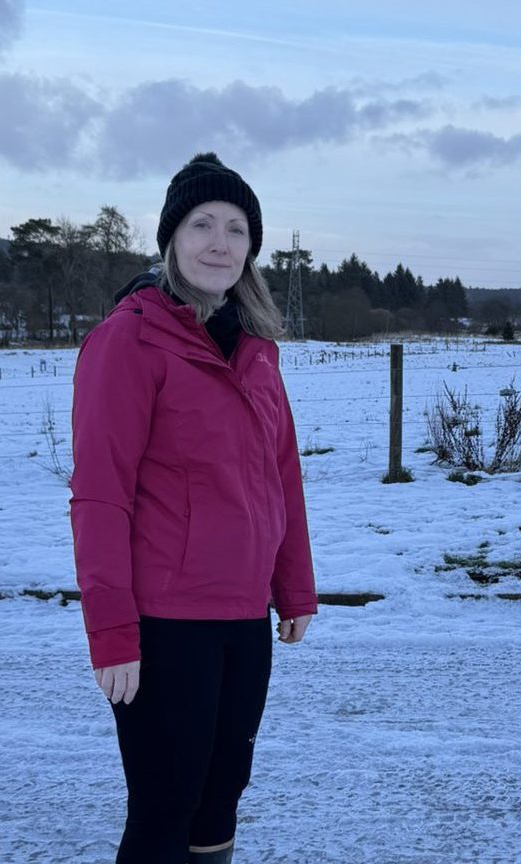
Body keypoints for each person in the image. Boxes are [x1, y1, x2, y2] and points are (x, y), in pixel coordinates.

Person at [69, 152, 317, 864]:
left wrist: (294, 588)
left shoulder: (258, 351)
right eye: (202, 224)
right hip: (165, 621)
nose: (219, 241)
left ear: (252, 246)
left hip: (243, 620)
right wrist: (113, 631)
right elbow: (100, 496)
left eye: (236, 228)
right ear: (171, 239)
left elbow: (282, 477)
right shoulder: (129, 339)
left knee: (220, 798)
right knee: (164, 806)